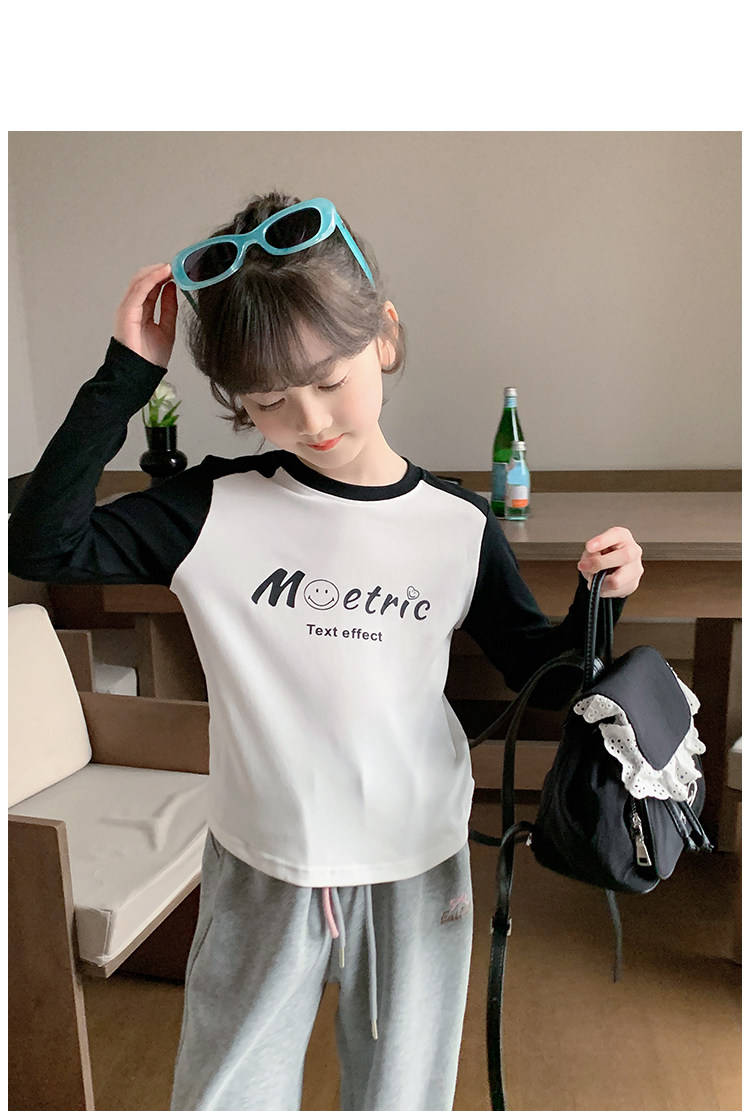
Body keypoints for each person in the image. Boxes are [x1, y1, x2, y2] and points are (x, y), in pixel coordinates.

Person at [8, 191, 644, 1111]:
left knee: (401, 1098)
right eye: (268, 400)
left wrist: (598, 601)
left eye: (327, 378)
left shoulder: (458, 525)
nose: (310, 418)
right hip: (263, 862)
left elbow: (546, 681)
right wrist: (125, 377)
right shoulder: (212, 509)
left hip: (416, 864)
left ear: (383, 336)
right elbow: (41, 545)